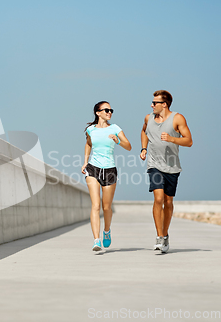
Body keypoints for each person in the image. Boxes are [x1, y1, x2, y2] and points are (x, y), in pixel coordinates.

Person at [140, 90, 193, 253]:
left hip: (172, 166)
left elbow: (189, 141)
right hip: (154, 164)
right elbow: (144, 131)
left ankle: (165, 234)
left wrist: (172, 139)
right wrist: (144, 148)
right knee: (158, 198)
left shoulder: (177, 118)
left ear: (164, 104)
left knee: (168, 202)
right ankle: (159, 237)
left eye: (155, 103)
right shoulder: (148, 118)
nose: (151, 105)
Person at [82, 101, 131, 251]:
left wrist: (118, 141)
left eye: (111, 110)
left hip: (109, 170)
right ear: (98, 113)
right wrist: (85, 162)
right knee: (96, 205)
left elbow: (129, 146)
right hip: (93, 169)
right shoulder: (91, 130)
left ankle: (106, 231)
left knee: (106, 207)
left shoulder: (115, 128)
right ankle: (96, 240)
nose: (109, 112)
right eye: (106, 110)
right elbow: (88, 144)